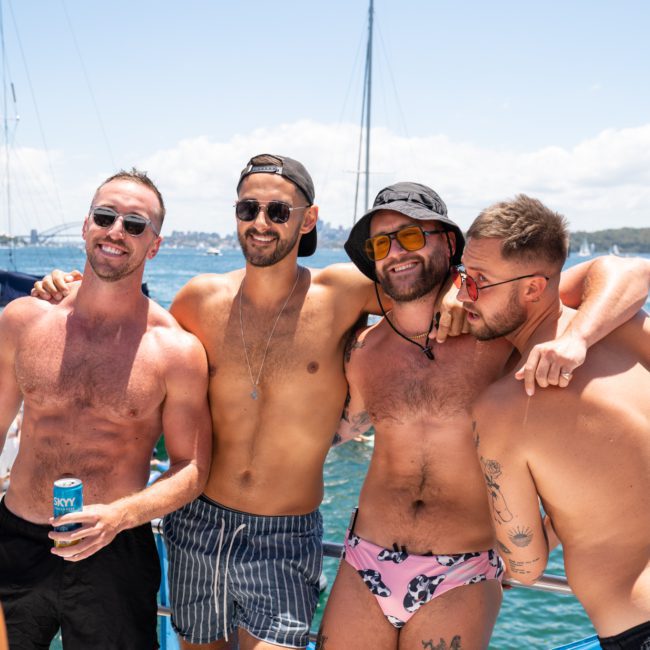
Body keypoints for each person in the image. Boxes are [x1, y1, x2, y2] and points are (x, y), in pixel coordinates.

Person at [32, 159, 643, 650]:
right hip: (223, 531)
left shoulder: (451, 316)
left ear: (307, 219)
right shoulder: (207, 300)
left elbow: (614, 274)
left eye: (278, 210)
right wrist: (74, 285)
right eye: (249, 209)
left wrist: (574, 337)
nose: (262, 221)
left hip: (335, 541)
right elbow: (139, 326)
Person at [317, 182, 650, 650]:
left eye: (411, 236)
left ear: (449, 245)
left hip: (462, 569)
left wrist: (576, 339)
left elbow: (630, 271)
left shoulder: (502, 329)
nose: (395, 253)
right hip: (364, 558)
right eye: (380, 244)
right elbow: (335, 432)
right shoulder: (364, 351)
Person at [0, 169, 212, 650]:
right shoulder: (23, 320)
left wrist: (119, 516)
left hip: (115, 552)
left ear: (153, 245)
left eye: (135, 225)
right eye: (105, 216)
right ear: (86, 226)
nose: (117, 231)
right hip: (15, 541)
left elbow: (192, 468)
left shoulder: (174, 351)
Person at [461, 195, 650, 650]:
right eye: (462, 277)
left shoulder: (505, 406)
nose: (462, 294)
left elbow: (525, 566)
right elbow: (630, 270)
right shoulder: (626, 327)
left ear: (532, 289)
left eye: (478, 282)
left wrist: (561, 520)